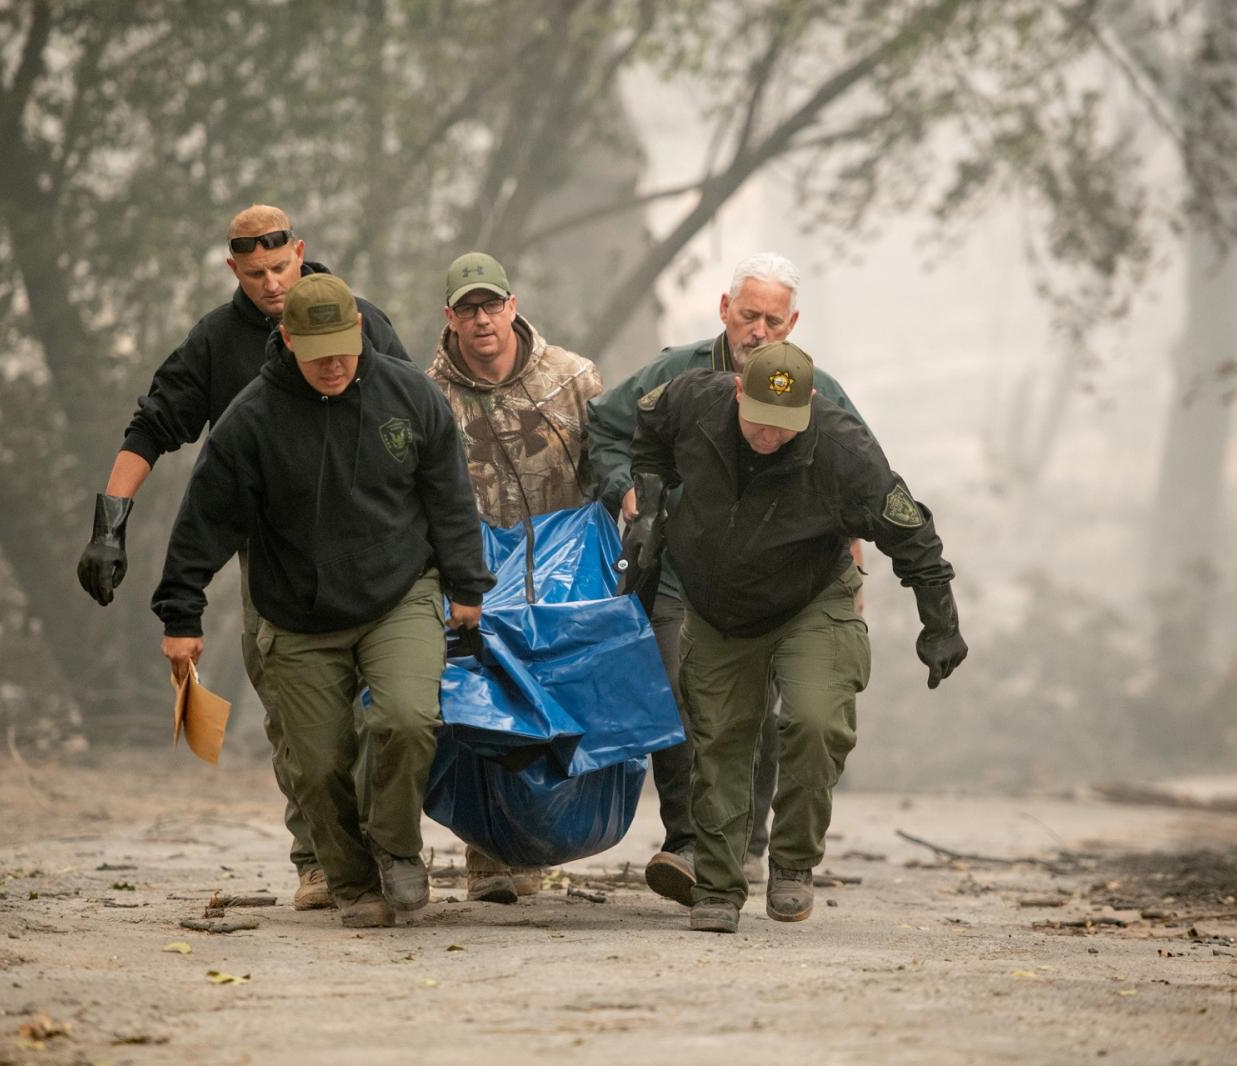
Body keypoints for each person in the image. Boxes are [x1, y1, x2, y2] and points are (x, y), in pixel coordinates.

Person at [75, 205, 411, 912]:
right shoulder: (217, 342)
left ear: (300, 251)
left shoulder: (362, 321)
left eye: (280, 267)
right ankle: (316, 859)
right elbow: (153, 425)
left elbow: (413, 420)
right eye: (254, 274)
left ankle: (380, 847)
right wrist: (111, 524)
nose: (270, 283)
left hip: (367, 545)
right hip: (276, 555)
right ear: (234, 270)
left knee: (384, 708)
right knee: (297, 712)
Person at [152, 273, 494, 928]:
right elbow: (204, 521)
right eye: (318, 354)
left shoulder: (410, 396)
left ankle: (396, 847)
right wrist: (181, 613)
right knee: (316, 762)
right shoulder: (250, 421)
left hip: (399, 590)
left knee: (406, 719)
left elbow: (449, 496)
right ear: (286, 341)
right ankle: (351, 878)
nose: (334, 366)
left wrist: (467, 585)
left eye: (343, 348)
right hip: (298, 609)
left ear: (360, 332)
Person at [629, 340, 967, 933]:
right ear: (737, 390)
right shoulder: (692, 400)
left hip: (810, 599)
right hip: (717, 606)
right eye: (760, 419)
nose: (769, 435)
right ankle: (717, 884)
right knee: (719, 739)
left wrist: (940, 621)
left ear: (809, 403)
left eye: (785, 425)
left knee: (816, 721)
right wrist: (652, 507)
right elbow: (648, 431)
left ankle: (792, 861)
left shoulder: (845, 451)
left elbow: (912, 532)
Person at [585, 253, 866, 905]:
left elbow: (855, 472)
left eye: (773, 319)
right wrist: (626, 491)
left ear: (791, 324)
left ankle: (748, 844)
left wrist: (851, 551)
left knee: (765, 711)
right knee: (682, 694)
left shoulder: (817, 389)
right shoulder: (675, 373)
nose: (758, 331)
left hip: (781, 585)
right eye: (747, 316)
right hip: (683, 574)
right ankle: (688, 841)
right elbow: (605, 423)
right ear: (723, 310)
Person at [426, 251, 604, 903]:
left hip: (560, 580)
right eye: (467, 309)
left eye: (491, 305)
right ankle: (489, 854)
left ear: (513, 306)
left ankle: (537, 842)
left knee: (553, 716)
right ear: (450, 317)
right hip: (472, 580)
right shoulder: (430, 395)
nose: (482, 321)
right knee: (480, 715)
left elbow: (608, 463)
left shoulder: (574, 379)